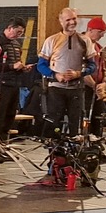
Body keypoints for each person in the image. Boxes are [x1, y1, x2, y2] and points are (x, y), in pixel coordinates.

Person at [38, 8, 89, 138]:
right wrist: (55, 75)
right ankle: (54, 147)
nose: (72, 22)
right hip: (56, 88)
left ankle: (74, 146)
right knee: (54, 123)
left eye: (74, 19)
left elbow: (93, 65)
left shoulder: (85, 40)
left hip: (76, 88)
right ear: (61, 21)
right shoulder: (51, 40)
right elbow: (41, 65)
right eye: (68, 20)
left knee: (75, 123)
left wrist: (78, 74)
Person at [0, 18, 30, 151]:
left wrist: (22, 68)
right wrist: (11, 66)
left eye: (21, 33)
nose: (19, 35)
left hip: (14, 84)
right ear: (10, 28)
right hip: (0, 85)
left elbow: (15, 64)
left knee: (10, 116)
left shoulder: (16, 45)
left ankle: (2, 145)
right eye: (18, 32)